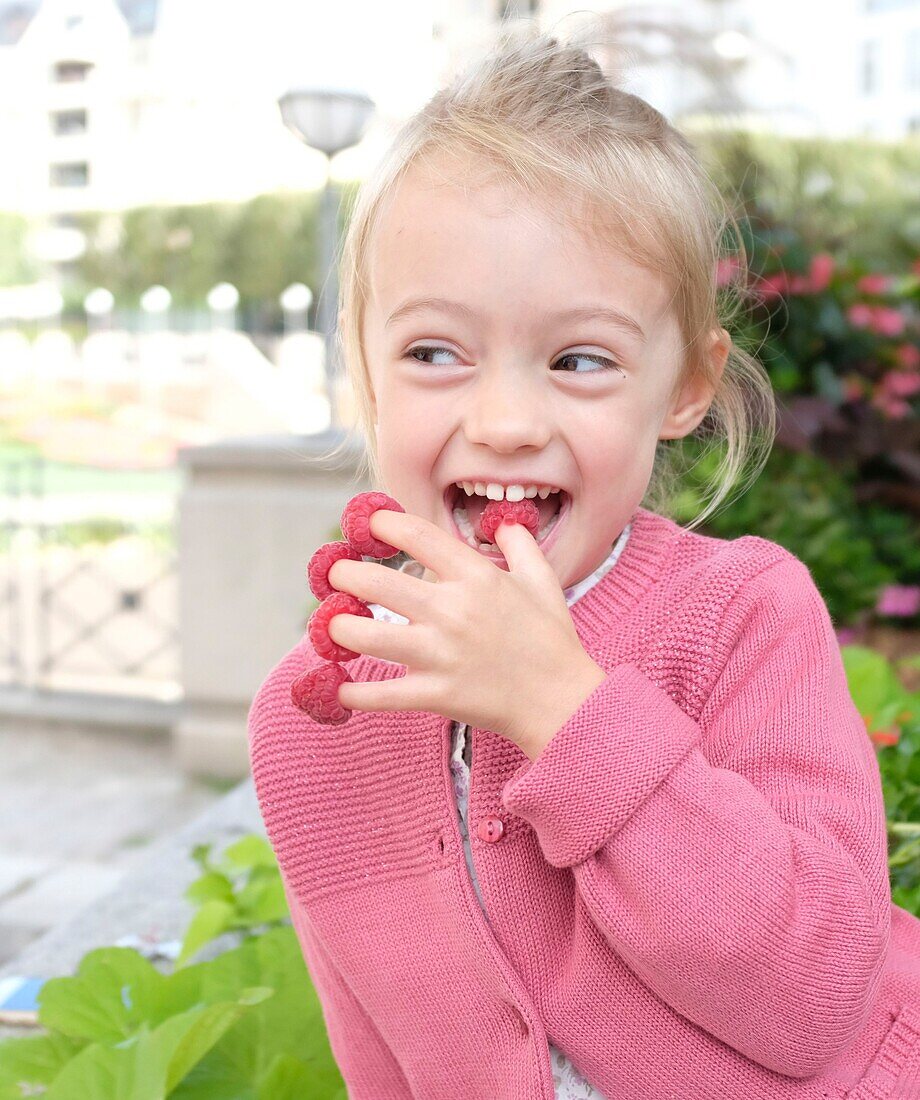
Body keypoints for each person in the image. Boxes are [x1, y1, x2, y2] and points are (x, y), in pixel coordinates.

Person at [247, 23, 920, 1100]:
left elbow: (814, 995)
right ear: (364, 366)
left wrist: (567, 713)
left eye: (578, 358)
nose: (505, 419)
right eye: (433, 352)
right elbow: (382, 1060)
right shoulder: (308, 720)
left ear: (685, 387)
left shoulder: (739, 613)